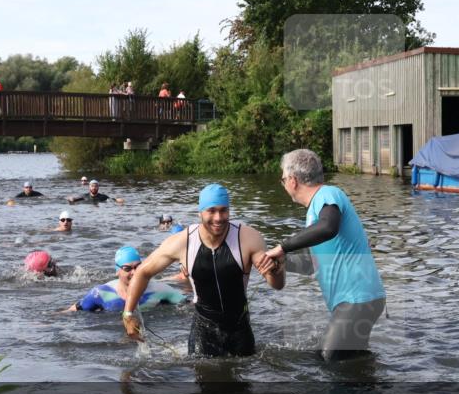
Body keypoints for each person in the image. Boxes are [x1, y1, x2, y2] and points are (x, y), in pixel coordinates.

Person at [123, 184, 285, 357]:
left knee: (243, 382)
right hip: (203, 329)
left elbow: (277, 285)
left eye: (224, 210)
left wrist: (277, 269)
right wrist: (128, 314)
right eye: (211, 211)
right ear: (200, 212)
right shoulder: (182, 242)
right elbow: (142, 272)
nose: (218, 218)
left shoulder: (248, 238)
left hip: (240, 327)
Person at [257, 149, 386, 362]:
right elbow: (312, 265)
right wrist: (282, 262)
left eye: (283, 180)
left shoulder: (328, 194)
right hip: (357, 300)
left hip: (357, 299)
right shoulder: (314, 211)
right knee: (347, 362)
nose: (283, 185)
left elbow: (329, 227)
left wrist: (282, 247)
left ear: (292, 180)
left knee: (330, 360)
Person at [67, 246, 185, 312]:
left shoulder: (159, 290)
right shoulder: (101, 293)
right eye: (127, 268)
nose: (134, 272)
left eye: (137, 267)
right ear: (117, 271)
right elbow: (72, 311)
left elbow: (189, 305)